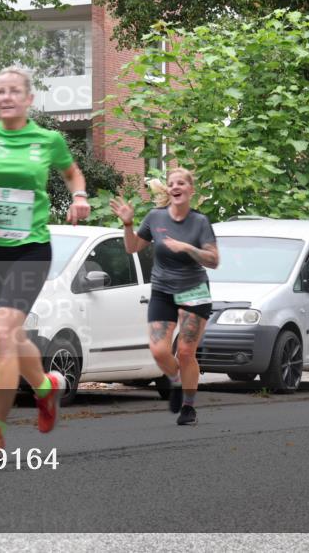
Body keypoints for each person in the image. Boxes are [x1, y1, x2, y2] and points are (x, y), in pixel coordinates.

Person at [0, 66, 91, 454]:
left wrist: (79, 197)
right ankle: (45, 387)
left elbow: (73, 174)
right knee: (12, 336)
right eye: (1, 91)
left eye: (14, 91)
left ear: (29, 99)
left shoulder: (48, 140)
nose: (7, 97)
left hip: (32, 249)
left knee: (2, 334)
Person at [110, 167, 219, 425]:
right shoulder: (155, 217)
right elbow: (132, 247)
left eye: (181, 183)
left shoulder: (200, 222)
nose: (176, 187)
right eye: (172, 184)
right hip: (162, 290)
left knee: (185, 352)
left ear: (191, 189)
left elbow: (214, 260)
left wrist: (187, 247)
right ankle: (176, 381)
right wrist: (128, 224)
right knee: (159, 351)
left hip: (194, 291)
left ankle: (188, 407)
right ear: (168, 191)